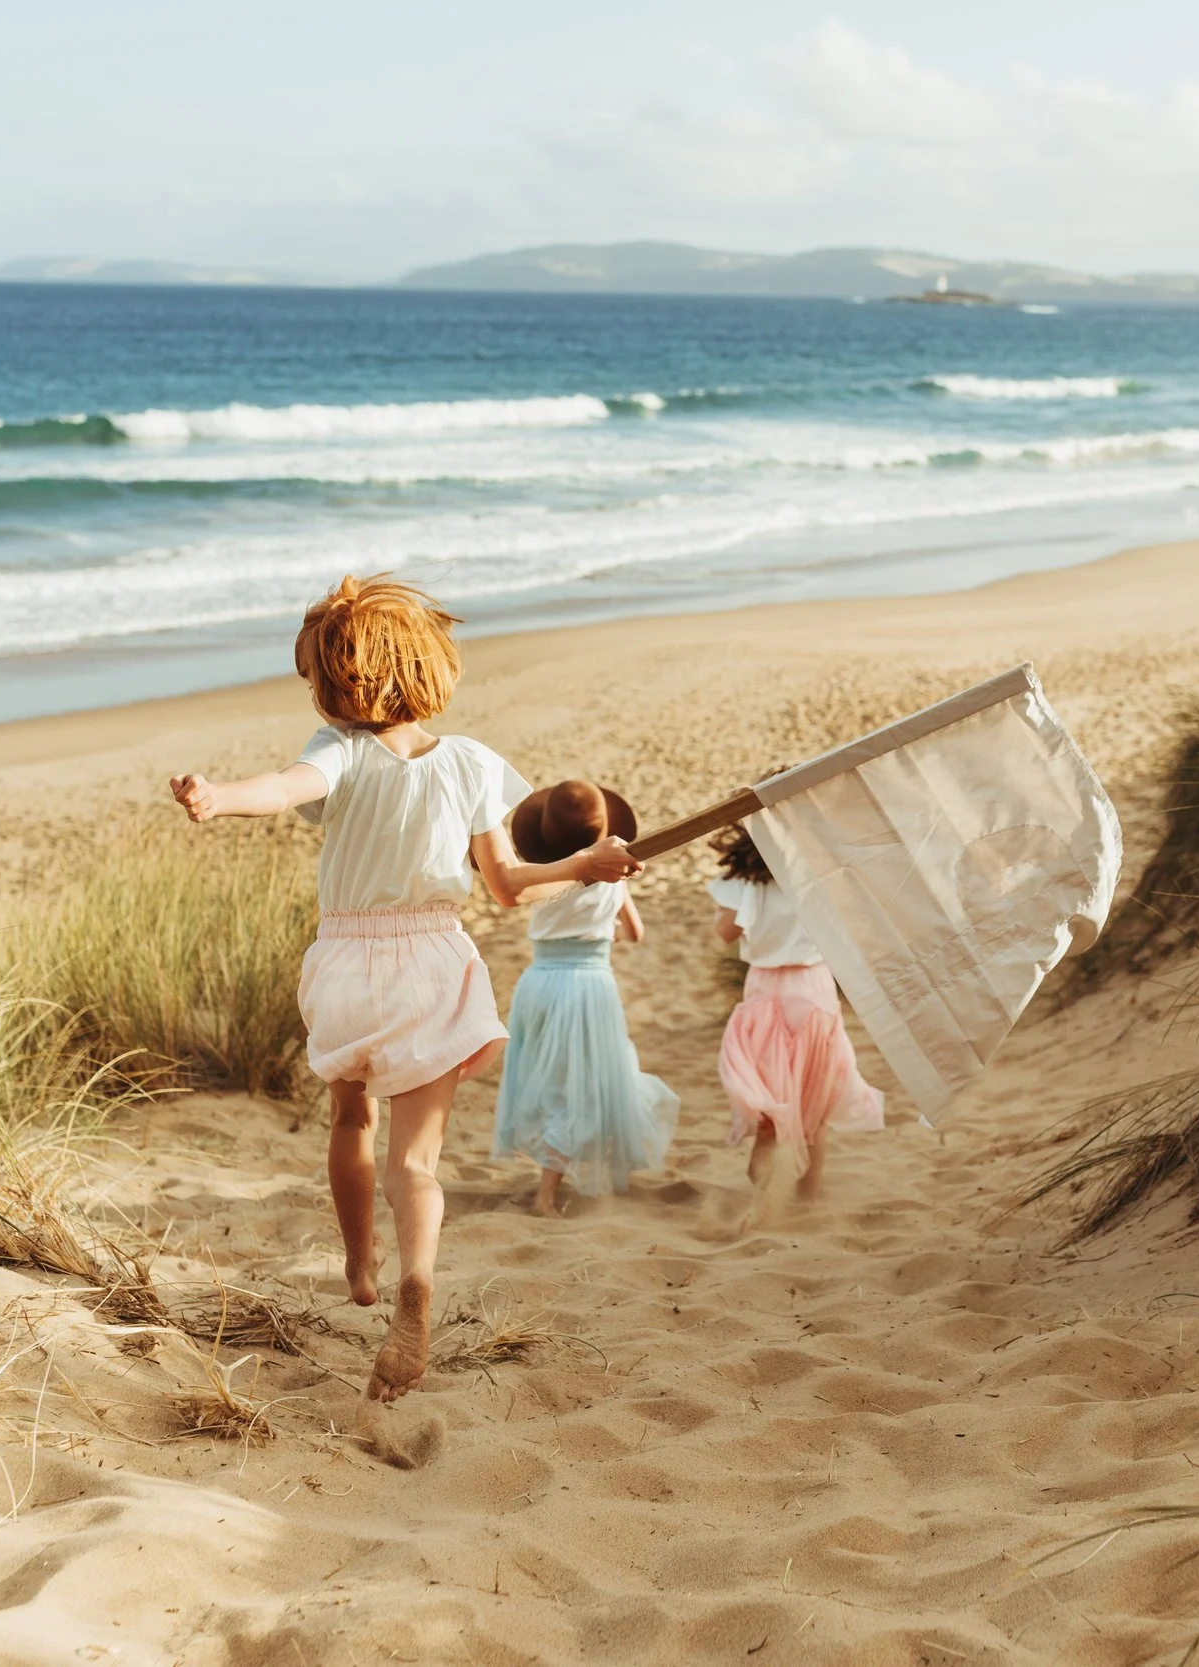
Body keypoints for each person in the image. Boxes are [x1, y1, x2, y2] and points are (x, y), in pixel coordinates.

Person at [168, 575, 637, 1403]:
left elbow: (281, 792)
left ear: (340, 683)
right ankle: (417, 1278)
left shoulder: (340, 751)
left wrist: (218, 798)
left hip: (350, 961)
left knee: (352, 1115)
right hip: (434, 963)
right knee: (416, 1161)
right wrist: (583, 866)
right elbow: (508, 885)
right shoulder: (472, 763)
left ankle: (360, 1262)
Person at [491, 781, 680, 1216]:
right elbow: (635, 932)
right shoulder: (612, 881)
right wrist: (605, 930)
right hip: (589, 985)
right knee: (584, 1084)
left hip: (539, 983)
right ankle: (545, 1195)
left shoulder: (545, 878)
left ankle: (547, 1182)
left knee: (550, 1080)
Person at [707, 822, 884, 1199]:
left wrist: (737, 899)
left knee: (770, 1096)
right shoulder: (822, 871)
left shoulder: (747, 878)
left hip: (764, 990)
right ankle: (808, 1199)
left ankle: (764, 1193)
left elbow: (725, 931)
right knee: (815, 1105)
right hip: (812, 990)